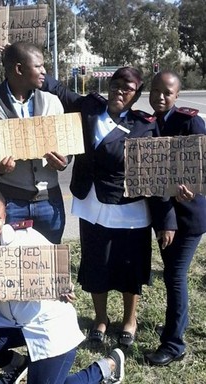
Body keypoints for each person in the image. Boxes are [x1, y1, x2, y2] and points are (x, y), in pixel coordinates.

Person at [41, 67, 177, 347]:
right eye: (115, 85)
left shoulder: (145, 125)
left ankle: (130, 319)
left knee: (130, 269)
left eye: (127, 89)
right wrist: (38, 73)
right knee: (95, 266)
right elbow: (60, 91)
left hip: (129, 209)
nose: (119, 91)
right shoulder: (90, 106)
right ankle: (100, 319)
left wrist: (166, 219)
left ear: (136, 95)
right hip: (92, 205)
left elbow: (156, 176)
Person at [0, 187, 125, 384]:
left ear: (5, 216)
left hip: (46, 323)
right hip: (6, 320)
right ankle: (18, 363)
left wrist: (63, 285)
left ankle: (105, 368)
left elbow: (57, 273)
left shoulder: (26, 238)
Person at [0, 41, 70, 244]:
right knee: (9, 266)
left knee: (49, 265)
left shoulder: (52, 101)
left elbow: (66, 145)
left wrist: (64, 160)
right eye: (38, 66)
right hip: (9, 203)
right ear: (19, 69)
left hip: (49, 202)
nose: (44, 71)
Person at [144, 70, 206, 366]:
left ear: (177, 95)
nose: (160, 96)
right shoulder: (150, 124)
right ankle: (175, 328)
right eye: (155, 90)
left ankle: (174, 344)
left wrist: (192, 188)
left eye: (166, 92)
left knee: (174, 277)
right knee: (172, 275)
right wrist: (163, 221)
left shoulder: (189, 121)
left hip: (188, 218)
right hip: (165, 218)